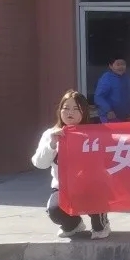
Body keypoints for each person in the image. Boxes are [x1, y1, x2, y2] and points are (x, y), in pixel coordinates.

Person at [32, 89, 111, 240]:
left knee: (99, 230)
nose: (70, 112)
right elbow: (40, 164)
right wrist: (52, 145)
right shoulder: (51, 134)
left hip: (92, 187)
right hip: (63, 188)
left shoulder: (95, 134)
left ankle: (101, 223)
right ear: (60, 110)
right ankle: (74, 224)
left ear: (84, 112)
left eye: (76, 109)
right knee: (54, 210)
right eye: (66, 108)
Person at [94, 57, 130, 123]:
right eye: (118, 64)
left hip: (124, 115)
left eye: (123, 64)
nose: (121, 67)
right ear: (111, 66)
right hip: (110, 116)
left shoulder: (127, 78)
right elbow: (99, 97)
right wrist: (108, 110)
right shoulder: (107, 78)